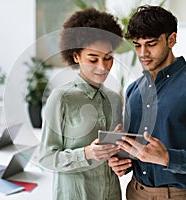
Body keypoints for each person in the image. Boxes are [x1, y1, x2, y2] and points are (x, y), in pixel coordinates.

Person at [108, 5, 186, 200]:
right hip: (135, 192)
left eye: (151, 43)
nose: (142, 53)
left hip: (181, 196)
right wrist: (120, 160)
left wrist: (168, 158)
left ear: (171, 39)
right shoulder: (133, 90)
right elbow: (138, 150)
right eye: (137, 45)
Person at [38, 8, 123, 200]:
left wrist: (121, 160)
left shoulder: (115, 99)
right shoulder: (61, 98)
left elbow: (114, 154)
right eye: (93, 59)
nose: (103, 66)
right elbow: (45, 157)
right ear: (76, 57)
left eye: (108, 57)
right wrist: (86, 153)